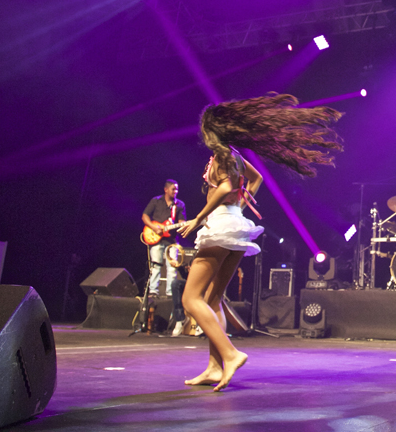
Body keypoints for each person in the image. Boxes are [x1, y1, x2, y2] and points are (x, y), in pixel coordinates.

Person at [178, 93, 342, 391]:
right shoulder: (233, 157)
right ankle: (215, 367)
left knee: (191, 299)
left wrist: (199, 217)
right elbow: (256, 180)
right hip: (233, 224)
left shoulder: (223, 157)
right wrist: (238, 207)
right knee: (213, 299)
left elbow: (225, 187)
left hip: (219, 225)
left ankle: (230, 354)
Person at [142, 180, 186, 298]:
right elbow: (145, 215)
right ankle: (153, 291)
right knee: (156, 266)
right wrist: (153, 227)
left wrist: (183, 225)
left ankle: (170, 293)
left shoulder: (179, 205)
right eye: (173, 189)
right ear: (166, 189)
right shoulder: (156, 201)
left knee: (172, 267)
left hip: (172, 240)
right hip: (156, 238)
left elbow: (182, 221)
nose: (175, 191)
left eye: (177, 189)